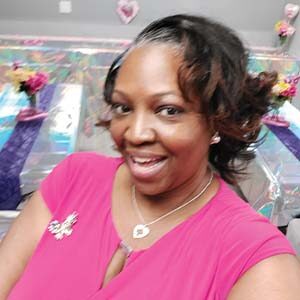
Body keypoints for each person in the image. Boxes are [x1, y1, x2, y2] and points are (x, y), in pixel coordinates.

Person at [1, 14, 300, 300]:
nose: (135, 133)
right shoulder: (73, 178)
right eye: (124, 107)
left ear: (216, 120)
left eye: (168, 110)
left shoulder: (254, 258)